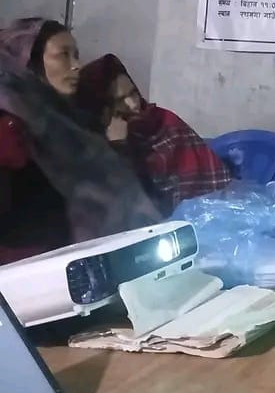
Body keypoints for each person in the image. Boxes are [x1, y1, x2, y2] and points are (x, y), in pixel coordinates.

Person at [0, 18, 160, 264]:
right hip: (28, 268)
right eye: (63, 55)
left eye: (76, 55)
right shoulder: (12, 127)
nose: (77, 66)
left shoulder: (77, 121)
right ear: (28, 60)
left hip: (84, 259)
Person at [75, 54, 231, 215]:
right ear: (102, 108)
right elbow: (131, 205)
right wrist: (120, 147)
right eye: (120, 100)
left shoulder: (163, 121)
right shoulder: (93, 145)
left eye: (133, 93)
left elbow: (215, 185)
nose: (133, 105)